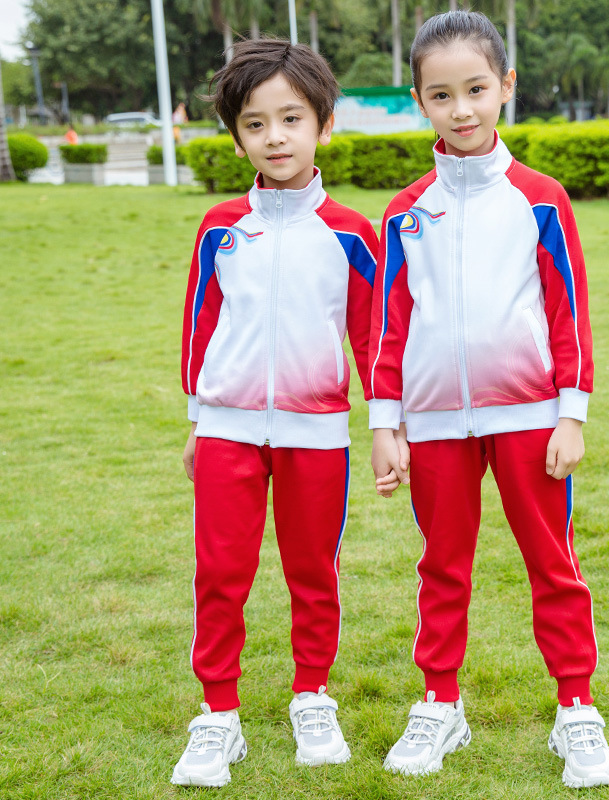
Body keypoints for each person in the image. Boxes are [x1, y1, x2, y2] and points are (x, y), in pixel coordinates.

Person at [367, 10, 609, 788]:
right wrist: (386, 424)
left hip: (531, 419)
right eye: (441, 96)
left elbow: (568, 311)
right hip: (434, 424)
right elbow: (388, 327)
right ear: (420, 100)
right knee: (442, 566)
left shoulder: (541, 199)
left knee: (553, 563)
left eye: (476, 89)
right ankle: (439, 704)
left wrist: (571, 412)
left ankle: (576, 709)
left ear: (505, 86)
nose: (462, 109)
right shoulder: (404, 210)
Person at [173, 38, 378, 788]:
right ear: (236, 138)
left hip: (316, 435)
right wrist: (198, 420)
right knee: (220, 572)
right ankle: (217, 714)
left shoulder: (353, 233)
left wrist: (385, 427)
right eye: (255, 124)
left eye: (291, 118)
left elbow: (372, 339)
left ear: (324, 123)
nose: (275, 137)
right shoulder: (220, 228)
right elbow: (200, 328)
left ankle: (311, 696)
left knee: (313, 571)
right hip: (227, 431)